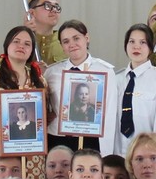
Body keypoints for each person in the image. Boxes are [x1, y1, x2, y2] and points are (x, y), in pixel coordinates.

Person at [0, 25, 51, 179]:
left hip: (33, 158)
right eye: (16, 41)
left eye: (27, 44)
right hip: (1, 156)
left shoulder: (40, 81)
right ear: (7, 45)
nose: (21, 46)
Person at [44, 19, 122, 153]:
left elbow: (110, 113)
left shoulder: (104, 71)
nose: (72, 44)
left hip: (91, 137)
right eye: (66, 41)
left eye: (76, 38)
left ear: (87, 38)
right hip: (58, 138)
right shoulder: (51, 72)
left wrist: (107, 152)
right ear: (62, 46)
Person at [116, 24, 156, 144]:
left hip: (146, 150)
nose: (136, 46)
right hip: (116, 149)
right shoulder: (116, 79)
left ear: (150, 47)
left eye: (142, 42)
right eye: (131, 41)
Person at [25, 0, 66, 66]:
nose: (54, 10)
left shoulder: (66, 42)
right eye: (47, 6)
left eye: (56, 7)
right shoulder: (19, 41)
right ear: (32, 13)